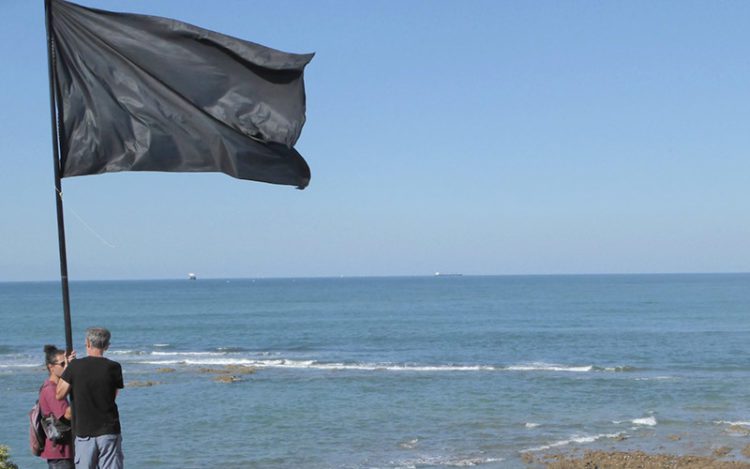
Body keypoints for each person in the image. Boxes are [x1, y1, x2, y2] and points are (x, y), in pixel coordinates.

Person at [56, 327, 124, 469]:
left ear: (87, 343)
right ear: (107, 346)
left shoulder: (75, 366)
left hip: (84, 432)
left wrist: (67, 369)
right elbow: (114, 395)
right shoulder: (114, 367)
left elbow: (59, 394)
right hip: (109, 429)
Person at [40, 345, 74, 469]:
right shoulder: (50, 389)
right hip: (60, 452)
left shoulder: (58, 387)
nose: (66, 366)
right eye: (62, 364)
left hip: (64, 450)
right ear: (51, 367)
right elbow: (66, 415)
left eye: (67, 363)